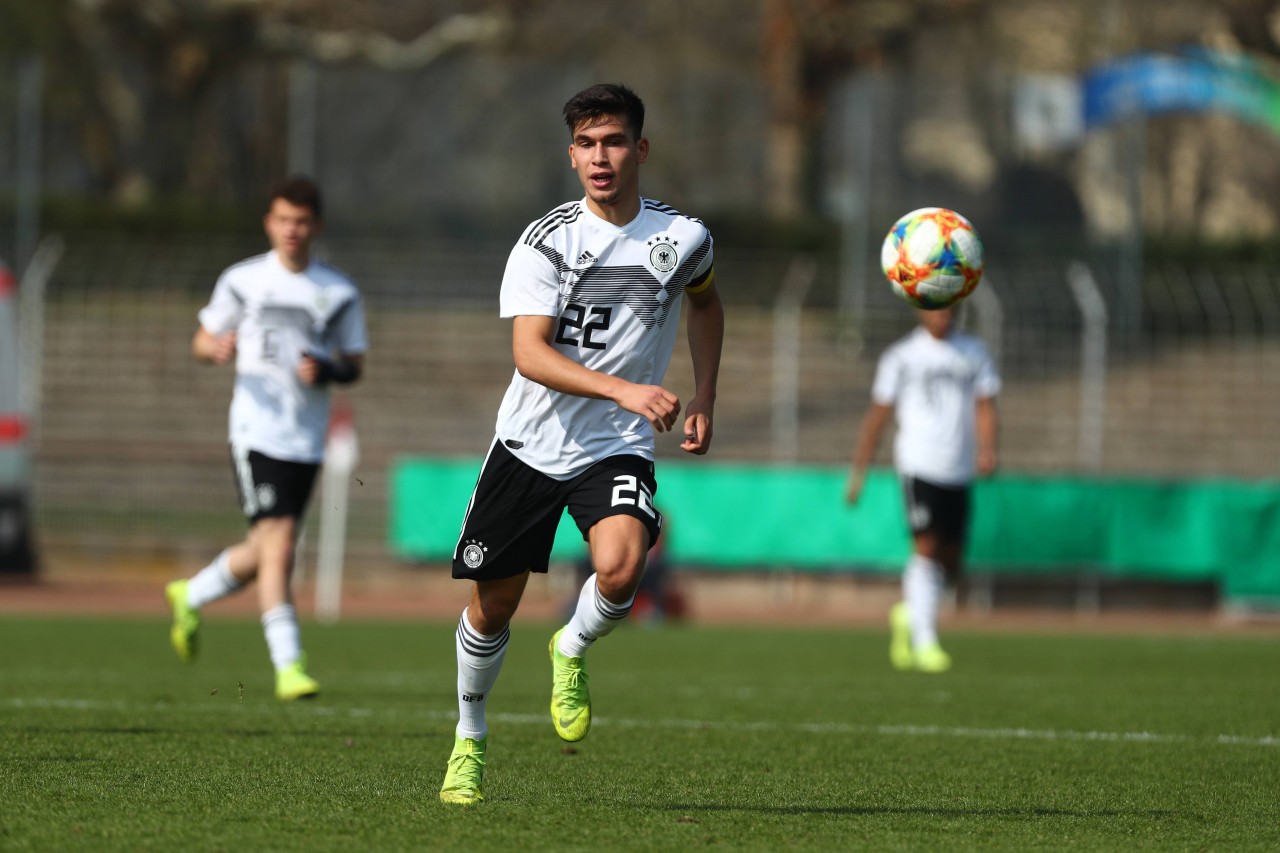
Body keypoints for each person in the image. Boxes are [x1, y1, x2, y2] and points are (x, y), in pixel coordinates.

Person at [439, 82, 724, 805]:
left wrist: (707, 393)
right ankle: (469, 737)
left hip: (615, 444)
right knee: (493, 607)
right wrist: (626, 387)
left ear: (641, 149)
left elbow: (707, 301)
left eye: (615, 141)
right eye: (588, 144)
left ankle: (569, 645)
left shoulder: (683, 237)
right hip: (530, 443)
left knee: (623, 566)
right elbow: (529, 354)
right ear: (571, 156)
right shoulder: (545, 241)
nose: (602, 157)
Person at [164, 176, 368, 701]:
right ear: (268, 223)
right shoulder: (242, 280)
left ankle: (191, 592)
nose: (291, 230)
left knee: (267, 549)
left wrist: (326, 371)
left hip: (308, 438)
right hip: (255, 430)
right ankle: (289, 664)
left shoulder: (339, 291)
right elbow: (201, 339)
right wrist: (215, 349)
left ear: (316, 226)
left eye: (301, 221)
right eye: (282, 219)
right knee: (279, 549)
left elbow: (354, 366)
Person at [845, 305, 999, 673]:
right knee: (926, 546)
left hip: (958, 468)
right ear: (919, 308)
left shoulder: (974, 352)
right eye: (935, 306)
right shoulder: (901, 356)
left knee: (952, 561)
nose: (943, 314)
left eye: (950, 306)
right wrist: (859, 473)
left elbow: (985, 406)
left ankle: (909, 613)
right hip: (919, 464)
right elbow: (878, 416)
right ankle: (926, 640)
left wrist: (988, 448)